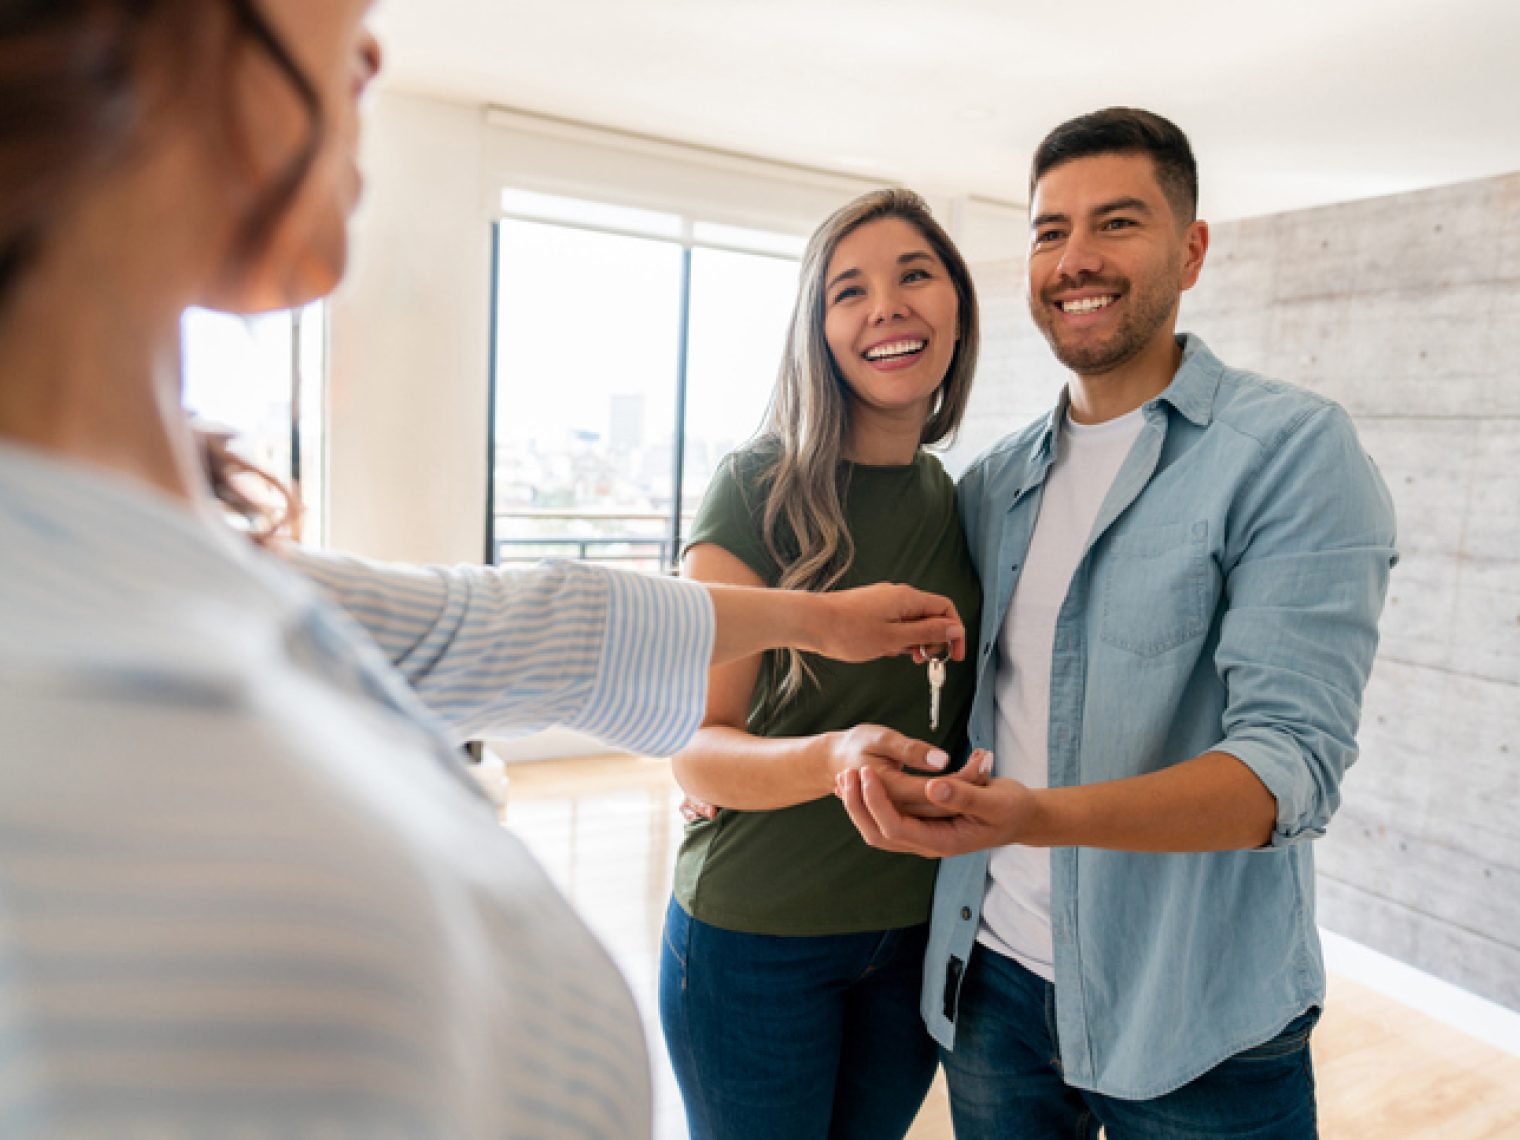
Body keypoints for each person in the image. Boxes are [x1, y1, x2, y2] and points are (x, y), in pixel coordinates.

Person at [0, 4, 971, 1136]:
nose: (369, 52)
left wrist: (822, 624)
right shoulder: (71, 814)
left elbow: (515, 623)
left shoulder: (196, 577)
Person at [838, 107, 1399, 1138]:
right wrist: (730, 770)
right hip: (992, 987)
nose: (1073, 259)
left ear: (1189, 251)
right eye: (1048, 231)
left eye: (1116, 223)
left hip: (1195, 1015)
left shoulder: (1288, 452)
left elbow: (1286, 769)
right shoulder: (992, 482)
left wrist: (1032, 816)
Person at [658, 187, 987, 1140]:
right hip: (755, 933)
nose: (886, 304)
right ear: (819, 330)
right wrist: (833, 757)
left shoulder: (969, 505)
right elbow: (693, 752)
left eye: (914, 274)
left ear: (958, 312)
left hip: (917, 935)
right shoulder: (754, 489)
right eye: (850, 290)